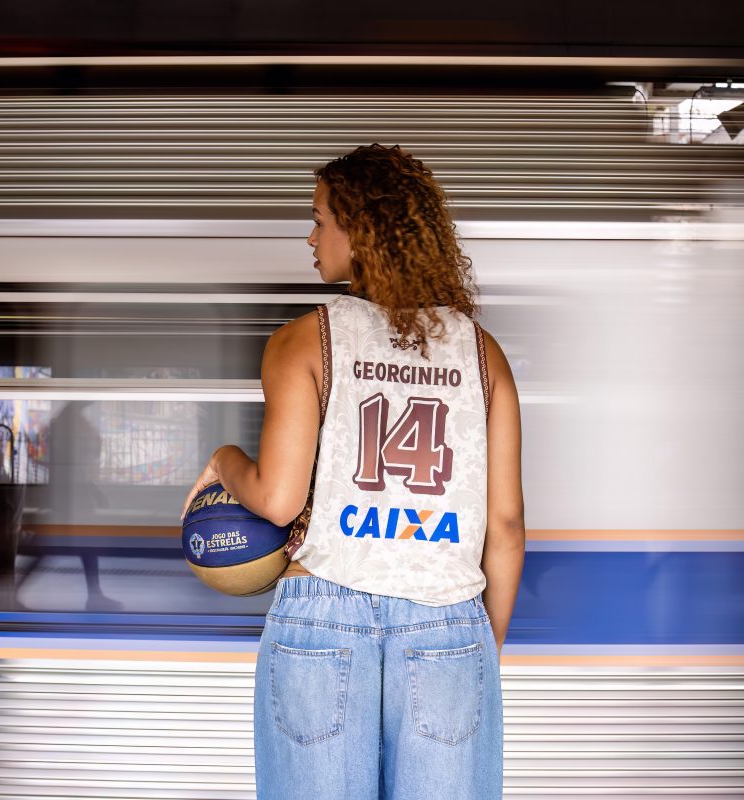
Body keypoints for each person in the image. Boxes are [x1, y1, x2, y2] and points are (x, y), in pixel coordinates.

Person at [183, 144, 524, 800]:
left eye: (319, 220)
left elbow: (278, 501)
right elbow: (505, 527)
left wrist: (223, 459)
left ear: (361, 230)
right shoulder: (484, 356)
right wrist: (477, 649)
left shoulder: (301, 341)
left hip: (321, 616)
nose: (311, 238)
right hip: (449, 621)